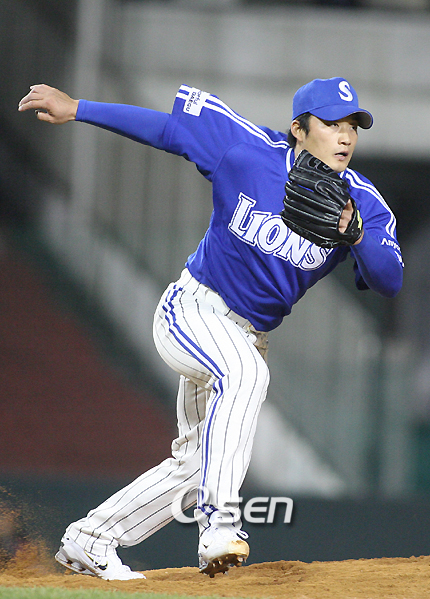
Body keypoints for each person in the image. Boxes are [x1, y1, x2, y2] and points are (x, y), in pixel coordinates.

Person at [18, 77, 403, 580]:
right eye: (331, 124)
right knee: (245, 377)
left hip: (247, 336)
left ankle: (91, 539)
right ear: (299, 128)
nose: (345, 135)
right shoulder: (249, 151)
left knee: (197, 465)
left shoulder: (364, 203)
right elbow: (168, 130)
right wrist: (78, 108)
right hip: (194, 309)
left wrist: (355, 236)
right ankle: (219, 525)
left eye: (353, 125)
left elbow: (389, 281)